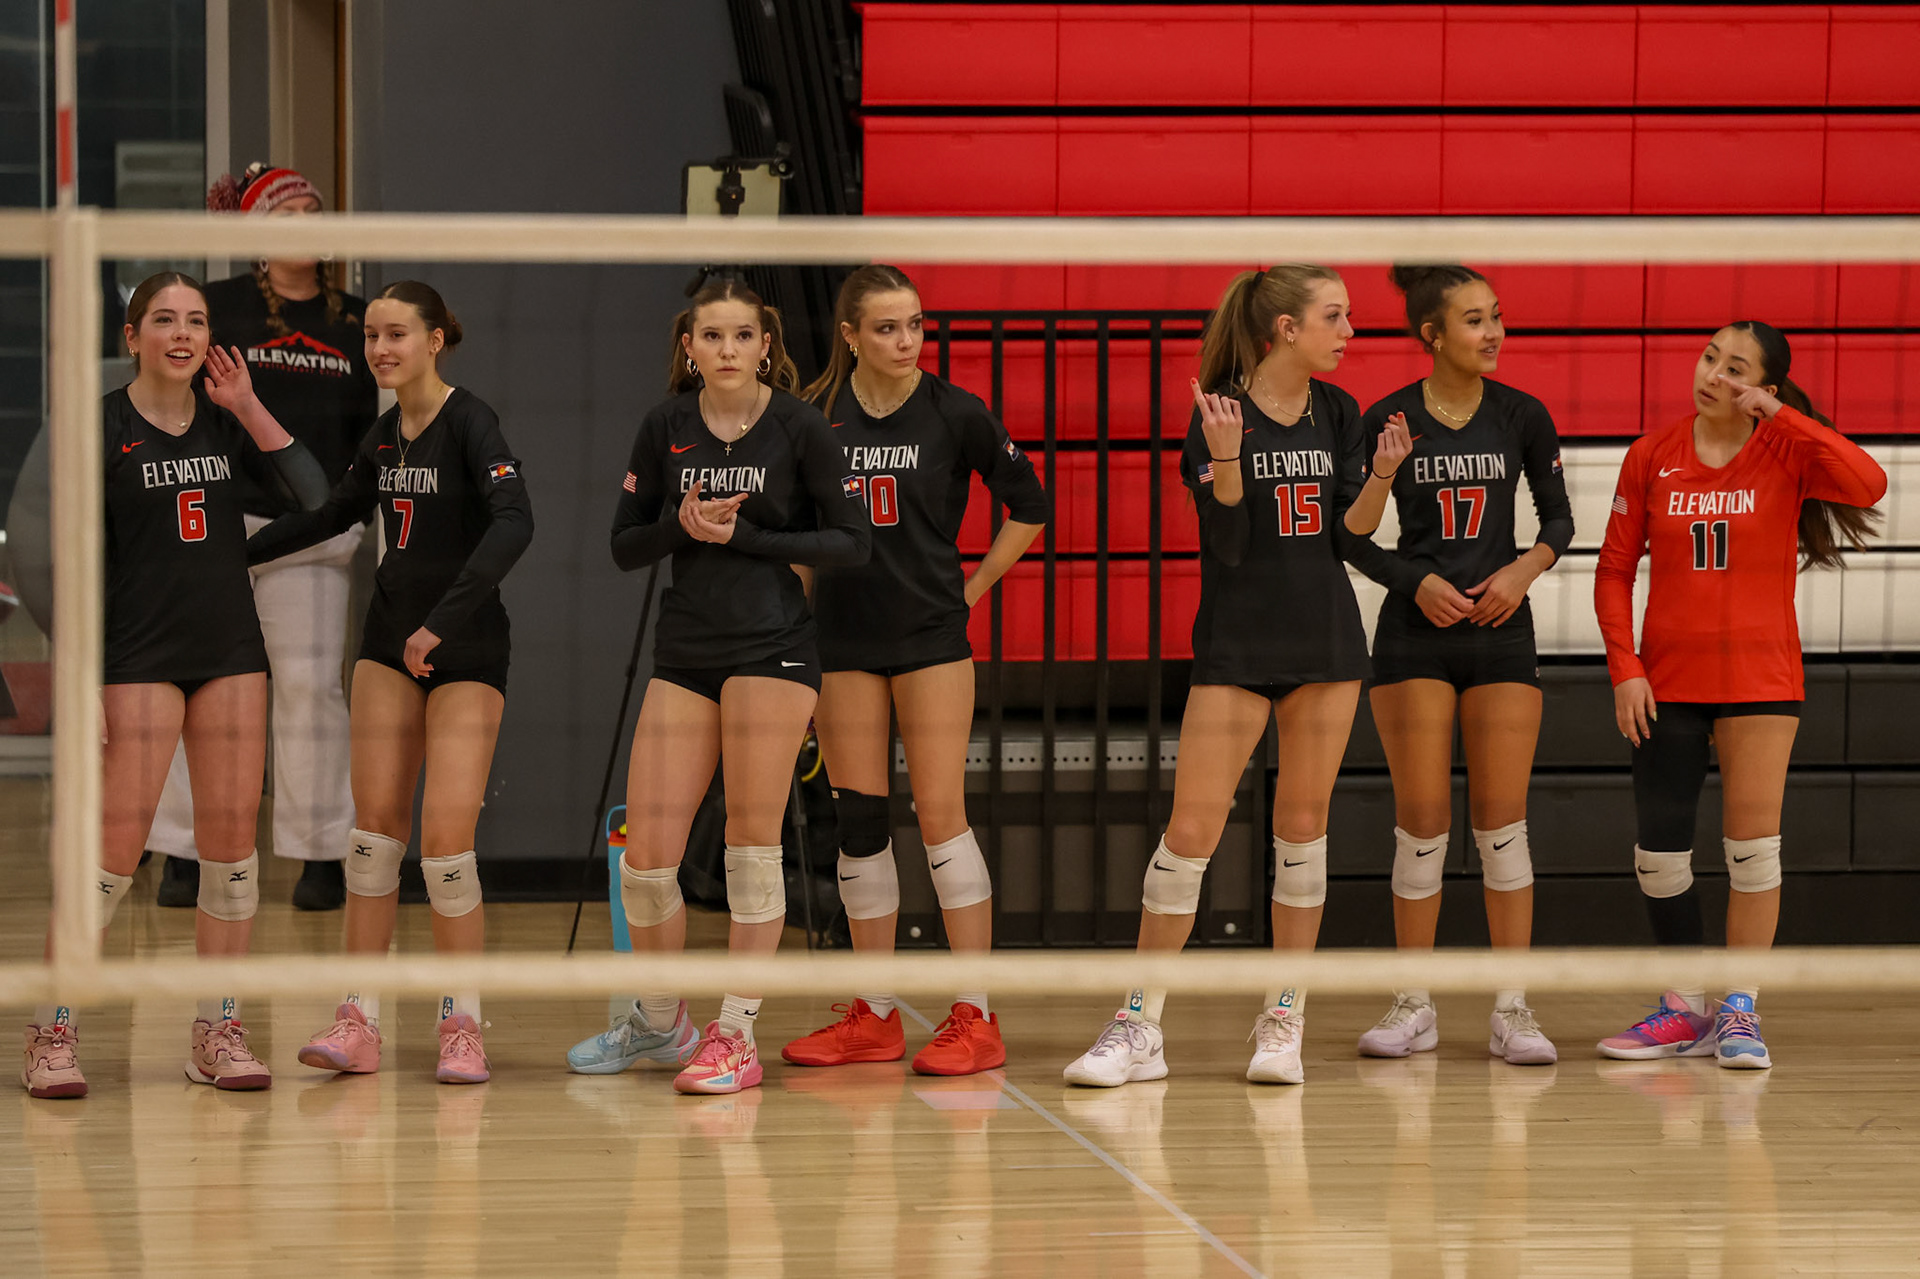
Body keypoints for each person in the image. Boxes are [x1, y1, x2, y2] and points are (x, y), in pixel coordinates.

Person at [1062, 264, 1410, 1089]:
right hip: (1238, 643)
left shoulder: (1340, 411)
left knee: (1303, 832)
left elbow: (1350, 537)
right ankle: (1139, 1024)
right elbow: (1225, 545)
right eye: (1334, 316)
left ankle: (1284, 1017)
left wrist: (1384, 476)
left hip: (1324, 642)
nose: (1349, 331)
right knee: (1190, 835)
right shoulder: (1218, 413)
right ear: (1286, 328)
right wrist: (1225, 462)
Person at [21, 272, 327, 1099]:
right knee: (112, 853)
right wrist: (79, 669)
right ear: (132, 337)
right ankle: (52, 1031)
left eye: (196, 320)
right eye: (164, 319)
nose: (183, 333)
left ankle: (217, 1030)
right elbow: (60, 557)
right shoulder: (101, 425)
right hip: (137, 654)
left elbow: (315, 495)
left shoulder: (227, 423)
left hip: (230, 652)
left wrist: (249, 404)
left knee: (232, 854)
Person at [565, 278, 869, 1095]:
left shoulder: (800, 424)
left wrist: (750, 536)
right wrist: (683, 525)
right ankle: (662, 1022)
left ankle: (735, 1036)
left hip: (773, 650)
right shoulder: (665, 425)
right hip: (687, 651)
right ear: (689, 347)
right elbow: (625, 545)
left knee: (750, 849)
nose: (727, 349)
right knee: (646, 860)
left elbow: (853, 543)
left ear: (766, 345)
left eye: (741, 335)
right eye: (711, 336)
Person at [257, 281, 534, 1085]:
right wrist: (229, 556)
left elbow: (517, 521)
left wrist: (440, 622)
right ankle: (358, 1018)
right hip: (387, 647)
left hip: (465, 648)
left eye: (397, 335)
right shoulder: (384, 435)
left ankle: (461, 1023)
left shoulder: (470, 422)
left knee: (446, 846)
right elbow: (332, 514)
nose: (380, 349)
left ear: (435, 339)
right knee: (373, 840)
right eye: (372, 335)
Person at [778, 265, 1047, 1076]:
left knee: (940, 817)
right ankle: (875, 1015)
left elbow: (1030, 504)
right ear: (850, 335)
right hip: (843, 644)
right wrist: (794, 627)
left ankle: (976, 1015)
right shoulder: (814, 414)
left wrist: (973, 586)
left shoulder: (954, 411)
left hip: (930, 638)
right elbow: (795, 536)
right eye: (887, 327)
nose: (907, 341)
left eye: (916, 325)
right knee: (860, 824)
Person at [1594, 321, 1884, 1070]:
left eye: (1735, 368)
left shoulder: (1786, 450)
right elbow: (1614, 570)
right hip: (1665, 683)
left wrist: (1780, 416)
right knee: (1659, 857)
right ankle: (1682, 1009)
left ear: (1764, 386)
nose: (1712, 375)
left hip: (1760, 680)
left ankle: (1740, 1010)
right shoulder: (1651, 454)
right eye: (1709, 358)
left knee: (1753, 853)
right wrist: (1625, 667)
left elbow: (1868, 483)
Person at [1345, 265, 1574, 1066]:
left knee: (1503, 824)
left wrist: (1523, 570)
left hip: (1501, 633)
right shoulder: (1388, 418)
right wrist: (1415, 581)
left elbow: (1559, 518)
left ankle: (1513, 1008)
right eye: (1474, 320)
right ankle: (1414, 1003)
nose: (1494, 332)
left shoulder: (1522, 414)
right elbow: (1349, 533)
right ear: (1432, 335)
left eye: (1496, 316)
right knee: (1422, 825)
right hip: (1415, 636)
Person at [149, 163, 378, 913]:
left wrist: (354, 507)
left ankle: (319, 853)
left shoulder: (358, 321)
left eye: (313, 211)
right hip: (215, 526)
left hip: (311, 534)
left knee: (311, 690)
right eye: (286, 215)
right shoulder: (216, 308)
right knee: (195, 685)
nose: (304, 225)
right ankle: (181, 850)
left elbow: (375, 429)